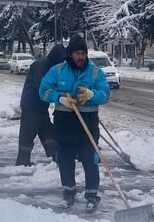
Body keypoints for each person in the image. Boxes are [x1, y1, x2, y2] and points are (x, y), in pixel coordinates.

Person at [39, 35, 110, 210]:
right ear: (70, 54)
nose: (81, 57)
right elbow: (43, 90)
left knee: (90, 161)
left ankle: (92, 196)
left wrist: (93, 95)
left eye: (83, 53)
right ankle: (68, 193)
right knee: (65, 161)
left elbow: (106, 94)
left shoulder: (95, 72)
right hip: (64, 125)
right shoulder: (57, 71)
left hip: (88, 125)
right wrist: (60, 98)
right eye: (77, 53)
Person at [15, 43, 66, 166]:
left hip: (40, 106)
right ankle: (22, 161)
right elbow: (43, 86)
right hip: (31, 104)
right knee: (28, 133)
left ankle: (57, 155)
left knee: (47, 131)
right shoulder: (43, 65)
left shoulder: (51, 64)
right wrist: (59, 96)